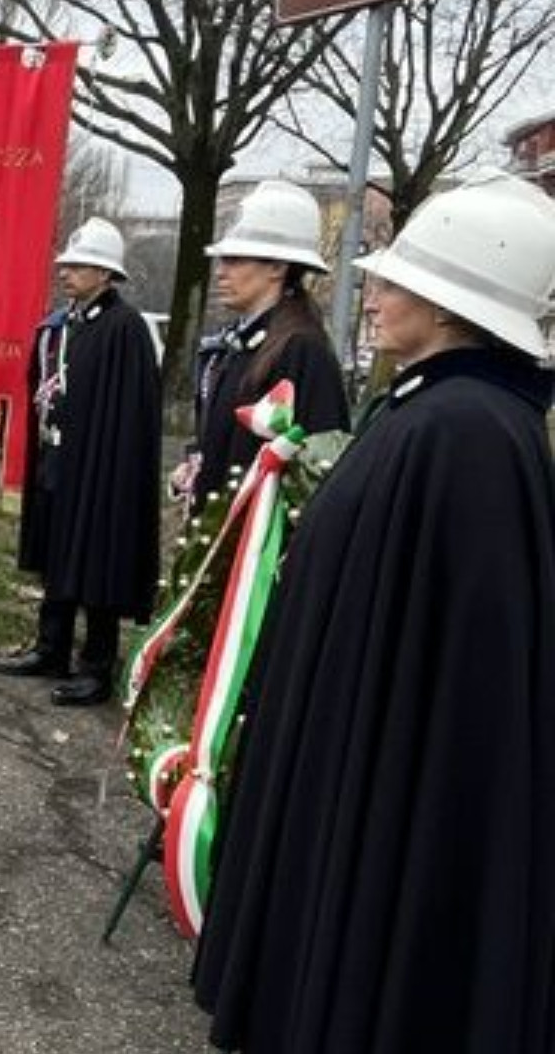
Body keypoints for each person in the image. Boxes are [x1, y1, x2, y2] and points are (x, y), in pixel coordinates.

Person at [192, 171, 555, 1054]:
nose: (375, 294)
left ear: (452, 301)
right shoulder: (431, 404)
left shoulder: (468, 431)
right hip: (346, 731)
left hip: (382, 763)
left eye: (398, 281)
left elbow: (457, 676)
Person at [0, 219, 163, 706]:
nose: (67, 273)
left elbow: (133, 410)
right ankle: (51, 647)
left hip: (101, 465)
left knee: (95, 558)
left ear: (107, 276)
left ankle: (97, 664)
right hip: (58, 456)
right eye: (66, 265)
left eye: (81, 266)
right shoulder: (60, 324)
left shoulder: (124, 328)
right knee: (56, 551)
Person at [173, 180, 349, 510]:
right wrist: (196, 467)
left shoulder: (303, 352)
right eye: (222, 259)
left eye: (236, 259)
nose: (221, 272)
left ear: (278, 268)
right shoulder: (237, 343)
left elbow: (318, 470)